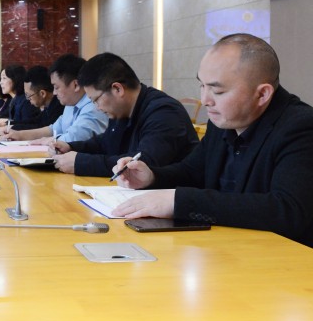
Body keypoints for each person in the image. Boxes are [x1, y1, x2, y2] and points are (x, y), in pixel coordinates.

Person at [111, 34, 313, 247]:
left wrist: (178, 201)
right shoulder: (224, 120)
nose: (205, 100)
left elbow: (287, 210)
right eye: (202, 86)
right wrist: (151, 177)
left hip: (281, 256)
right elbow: (192, 172)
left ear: (262, 94)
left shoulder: (301, 127)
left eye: (217, 91)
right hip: (225, 247)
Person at [51, 52, 198, 176]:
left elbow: (142, 163)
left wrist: (81, 163)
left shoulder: (163, 112)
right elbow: (105, 144)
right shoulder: (121, 111)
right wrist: (70, 147)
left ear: (117, 89)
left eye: (96, 100)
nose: (97, 107)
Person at [1, 54, 107, 143]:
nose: (54, 93)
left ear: (75, 85)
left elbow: (74, 138)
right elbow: (53, 129)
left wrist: (45, 141)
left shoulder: (93, 107)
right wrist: (19, 135)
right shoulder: (71, 103)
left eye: (56, 87)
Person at [9, 65, 64, 131]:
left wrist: (12, 127)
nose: (27, 99)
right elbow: (35, 121)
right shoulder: (48, 106)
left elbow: (40, 127)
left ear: (42, 94)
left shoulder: (59, 107)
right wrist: (9, 125)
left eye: (28, 95)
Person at [0, 65, 40, 130]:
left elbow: (27, 125)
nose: (0, 82)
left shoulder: (26, 100)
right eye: (1, 79)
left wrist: (4, 124)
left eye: (4, 78)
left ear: (15, 79)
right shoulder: (14, 99)